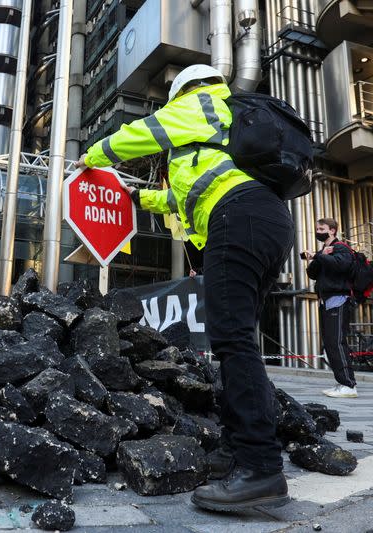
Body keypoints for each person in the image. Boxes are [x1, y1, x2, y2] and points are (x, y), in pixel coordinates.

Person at [76, 64, 294, 511]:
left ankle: (261, 469)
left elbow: (138, 135)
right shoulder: (215, 132)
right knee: (236, 340)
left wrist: (92, 156)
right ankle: (238, 451)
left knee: (233, 342)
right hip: (260, 219)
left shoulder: (199, 104)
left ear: (180, 91)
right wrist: (138, 198)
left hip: (240, 219)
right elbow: (183, 198)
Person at [304, 217, 357, 398]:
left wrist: (321, 255)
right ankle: (341, 382)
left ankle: (349, 385)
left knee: (336, 342)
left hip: (338, 299)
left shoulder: (340, 247)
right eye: (317, 228)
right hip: (326, 301)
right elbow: (312, 273)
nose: (318, 231)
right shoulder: (325, 251)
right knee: (330, 344)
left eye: (322, 229)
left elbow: (341, 265)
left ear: (332, 230)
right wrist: (318, 257)